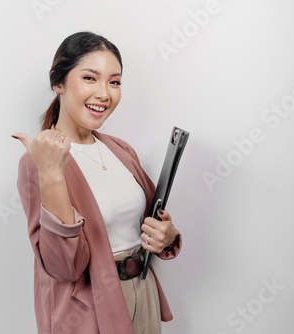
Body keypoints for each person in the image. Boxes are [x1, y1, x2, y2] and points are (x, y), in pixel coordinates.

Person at [12, 31, 182, 334]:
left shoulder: (121, 150)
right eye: (90, 78)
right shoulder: (38, 161)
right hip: (87, 308)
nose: (104, 93)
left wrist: (166, 235)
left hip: (143, 293)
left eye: (114, 82)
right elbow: (65, 267)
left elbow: (149, 224)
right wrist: (51, 175)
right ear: (58, 83)